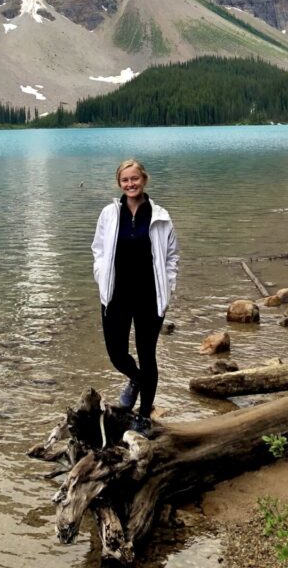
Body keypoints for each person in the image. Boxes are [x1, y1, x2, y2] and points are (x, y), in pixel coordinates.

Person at [91, 158, 178, 438]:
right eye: (125, 180)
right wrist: (100, 275)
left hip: (149, 297)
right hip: (116, 295)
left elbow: (172, 256)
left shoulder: (160, 216)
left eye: (135, 179)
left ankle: (143, 415)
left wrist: (169, 285)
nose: (130, 184)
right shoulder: (109, 214)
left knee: (147, 354)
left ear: (144, 180)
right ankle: (136, 380)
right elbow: (99, 249)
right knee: (116, 353)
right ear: (120, 183)